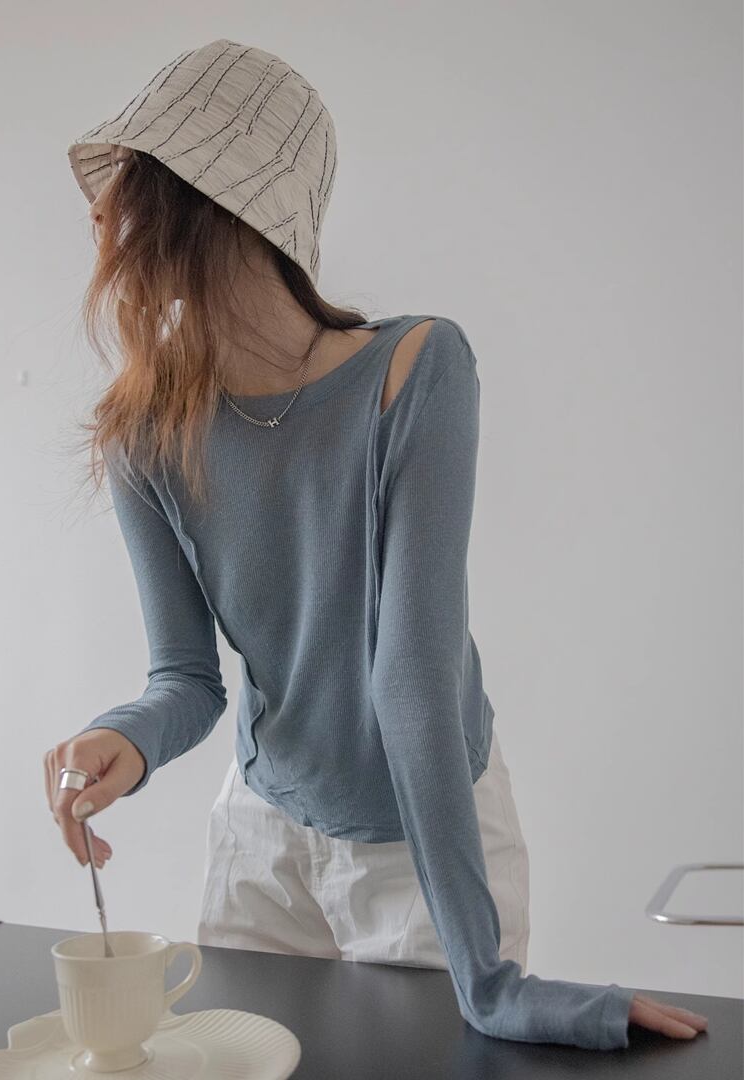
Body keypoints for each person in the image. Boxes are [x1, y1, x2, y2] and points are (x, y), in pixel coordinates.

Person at [43, 37, 708, 1049]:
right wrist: (126, 741)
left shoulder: (417, 367)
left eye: (129, 178)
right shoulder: (142, 431)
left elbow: (413, 679)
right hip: (261, 836)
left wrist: (488, 980)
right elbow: (187, 678)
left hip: (423, 839)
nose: (98, 216)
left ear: (203, 197)